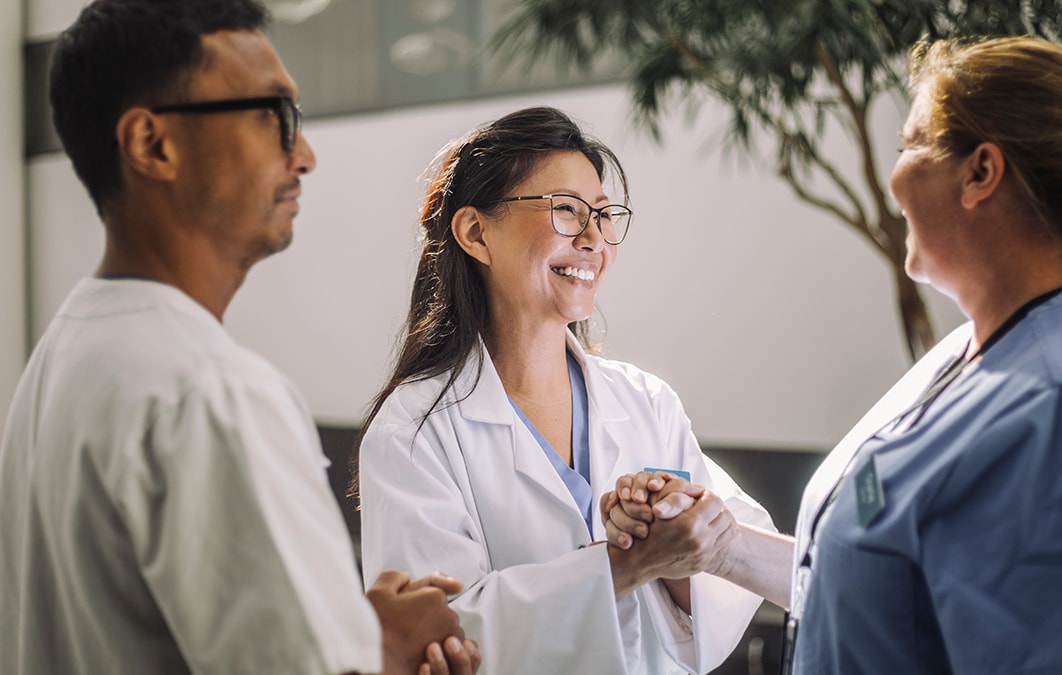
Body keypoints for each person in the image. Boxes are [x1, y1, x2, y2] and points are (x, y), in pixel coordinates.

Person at [607, 35, 1062, 674]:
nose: (893, 181)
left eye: (908, 145)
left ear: (980, 173)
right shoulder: (975, 352)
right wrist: (717, 547)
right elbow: (886, 595)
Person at [0, 1, 480, 674]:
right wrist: (387, 651)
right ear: (152, 145)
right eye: (273, 116)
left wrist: (343, 624)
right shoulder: (211, 392)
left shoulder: (64, 354)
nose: (304, 155)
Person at [355, 106, 777, 674]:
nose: (593, 240)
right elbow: (436, 638)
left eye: (604, 216)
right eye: (567, 212)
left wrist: (678, 548)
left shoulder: (646, 401)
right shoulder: (414, 429)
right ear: (476, 233)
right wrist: (626, 564)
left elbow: (732, 583)